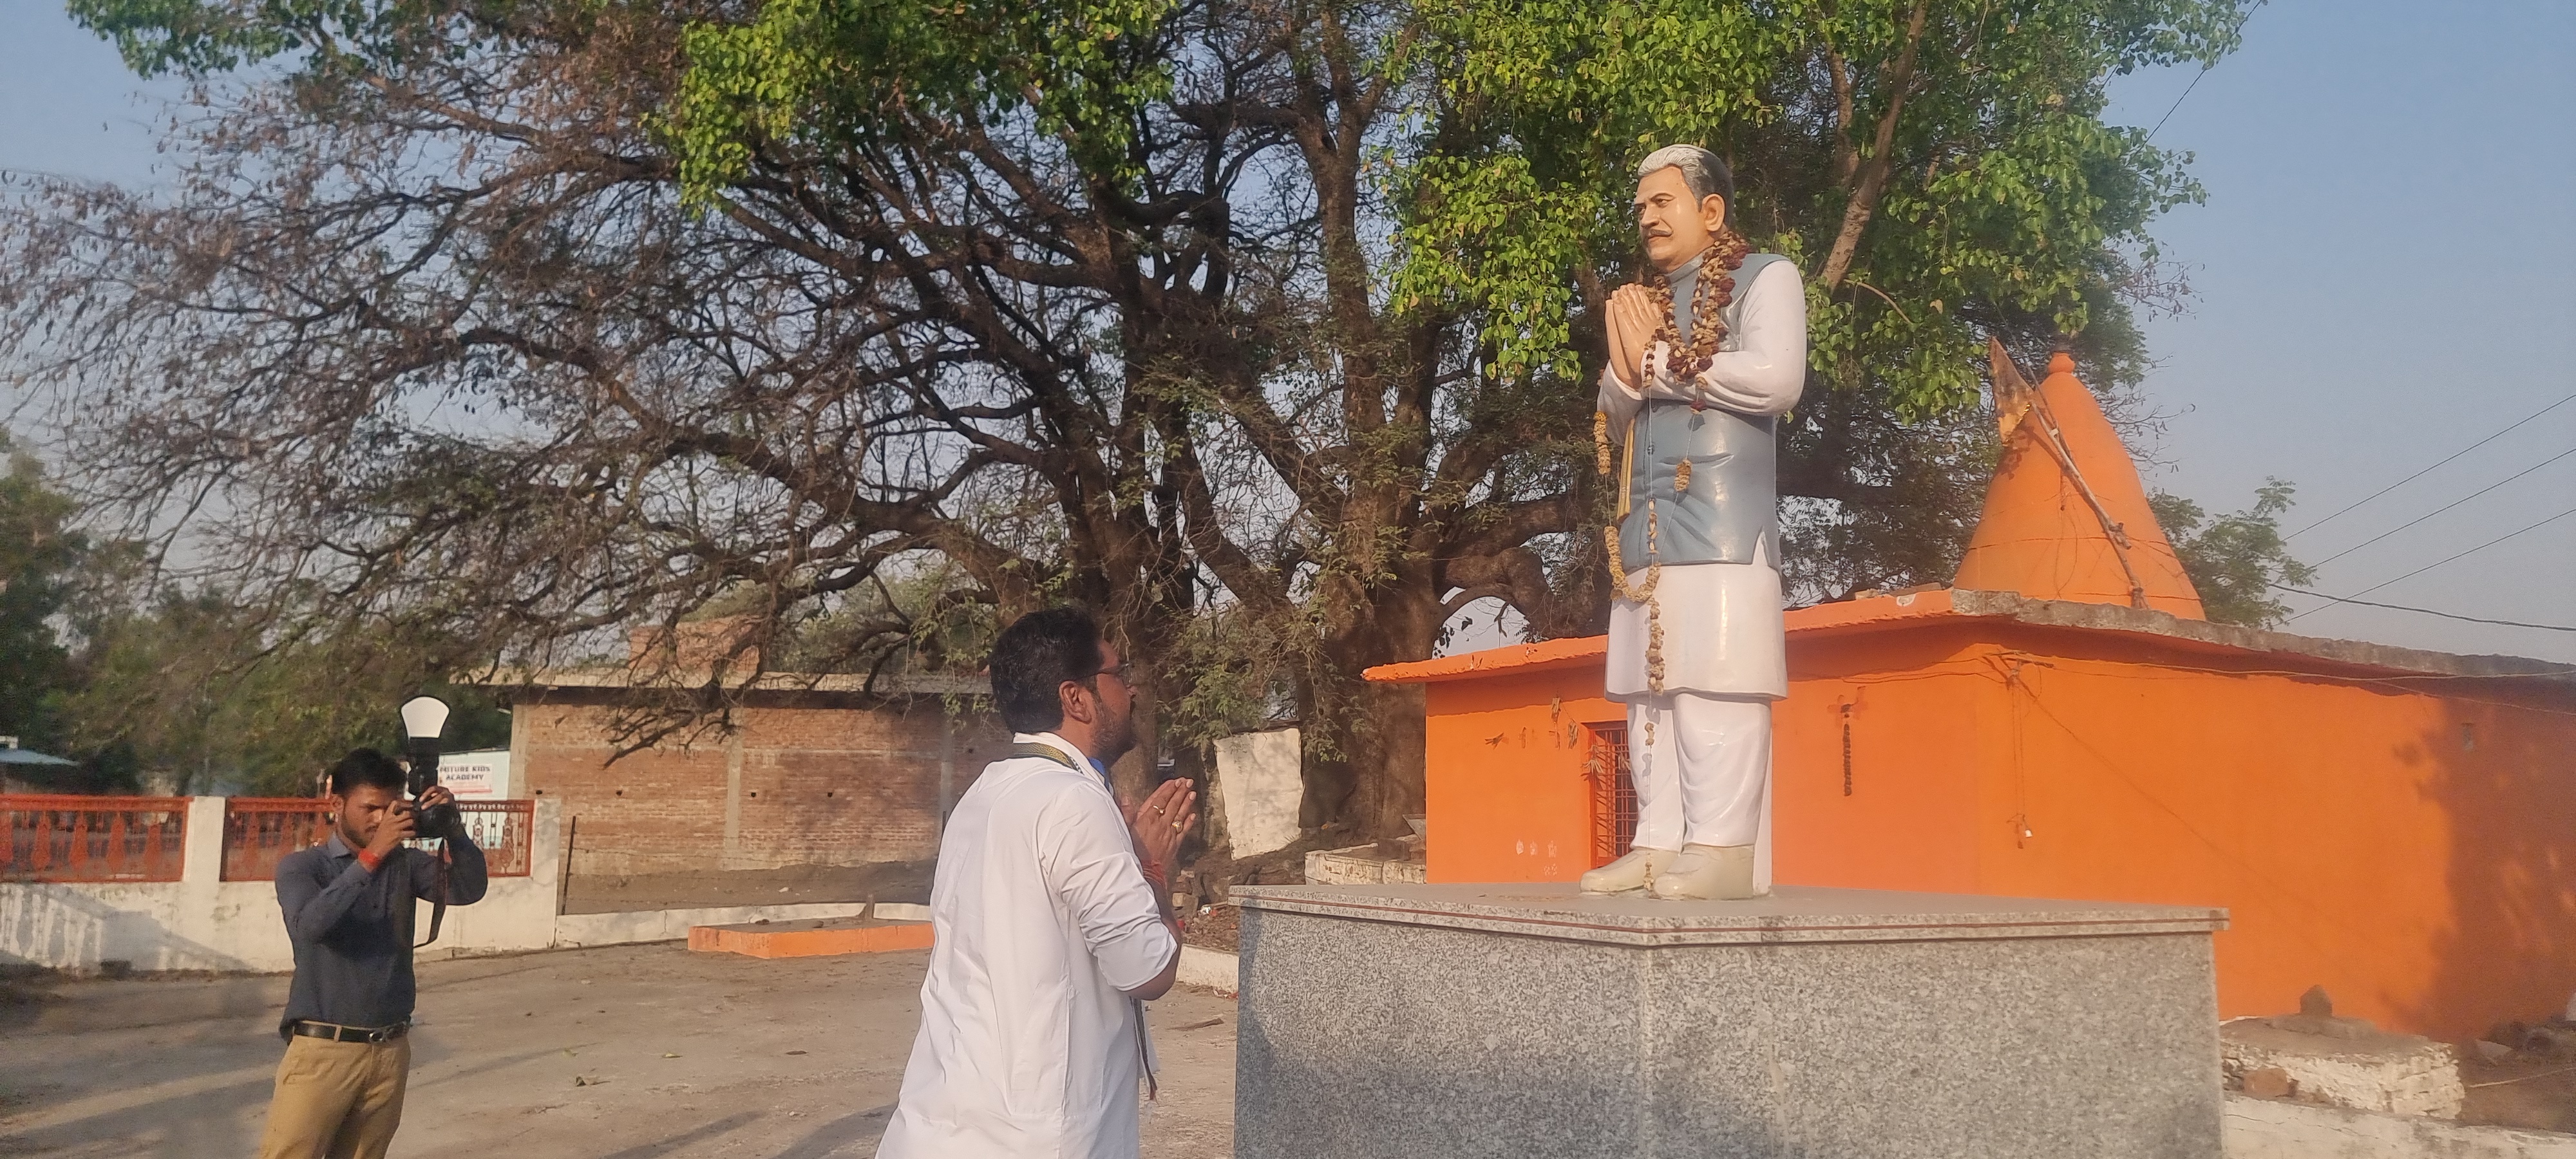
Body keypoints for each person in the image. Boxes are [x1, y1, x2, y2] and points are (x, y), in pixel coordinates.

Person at [880, 607, 1200, 1159]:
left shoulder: (985, 794)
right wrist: (1151, 868)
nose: (1132, 693)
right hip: (1038, 1136)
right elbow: (1148, 972)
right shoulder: (1072, 802)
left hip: (944, 1122)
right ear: (1076, 698)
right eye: (1119, 676)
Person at [1582, 143, 1808, 901]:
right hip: (1644, 525)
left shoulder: (1763, 276)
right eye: (1640, 205)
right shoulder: (1640, 301)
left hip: (1720, 522)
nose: (1645, 215)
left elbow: (1777, 377)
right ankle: (1656, 841)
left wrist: (1662, 365)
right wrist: (1625, 367)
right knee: (1646, 694)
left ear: (1711, 212)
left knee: (1715, 683)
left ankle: (1721, 848)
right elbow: (1614, 412)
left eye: (1662, 202)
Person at [257, 748, 488, 1159]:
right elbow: (311, 927)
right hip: (323, 1050)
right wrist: (371, 857)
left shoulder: (406, 865)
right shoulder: (302, 868)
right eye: (369, 808)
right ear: (337, 805)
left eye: (390, 808)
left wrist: (453, 830)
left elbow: (468, 890)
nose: (381, 819)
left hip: (389, 1049)